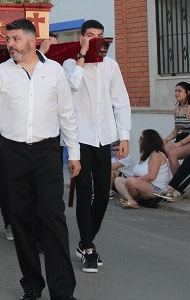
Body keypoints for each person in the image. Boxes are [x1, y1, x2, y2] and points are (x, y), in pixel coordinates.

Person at [0, 18, 80, 300]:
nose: (10, 44)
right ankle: (32, 285)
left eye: (15, 39)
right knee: (20, 218)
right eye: (8, 40)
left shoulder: (55, 72)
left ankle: (63, 291)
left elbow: (67, 115)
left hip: (47, 152)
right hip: (11, 152)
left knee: (53, 216)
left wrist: (74, 152)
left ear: (32, 40)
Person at [62, 19, 131, 274]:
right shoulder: (70, 63)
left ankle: (84, 240)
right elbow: (72, 86)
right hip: (79, 139)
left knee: (103, 194)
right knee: (84, 193)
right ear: (82, 37)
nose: (97, 40)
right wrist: (81, 55)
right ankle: (89, 249)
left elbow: (121, 101)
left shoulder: (111, 66)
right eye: (91, 35)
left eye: (100, 36)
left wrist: (124, 136)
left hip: (104, 137)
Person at [114, 130, 171, 209]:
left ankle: (130, 198)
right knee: (118, 180)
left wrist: (132, 180)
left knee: (131, 181)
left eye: (141, 138)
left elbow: (152, 176)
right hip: (142, 184)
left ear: (148, 141)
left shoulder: (156, 154)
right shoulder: (144, 154)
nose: (139, 141)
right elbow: (136, 172)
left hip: (156, 188)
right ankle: (131, 200)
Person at [162, 82, 190, 176]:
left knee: (172, 153)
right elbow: (175, 131)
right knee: (158, 150)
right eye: (175, 91)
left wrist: (179, 144)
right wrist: (164, 140)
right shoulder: (177, 109)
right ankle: (169, 179)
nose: (176, 93)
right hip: (181, 138)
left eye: (179, 91)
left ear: (188, 93)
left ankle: (177, 184)